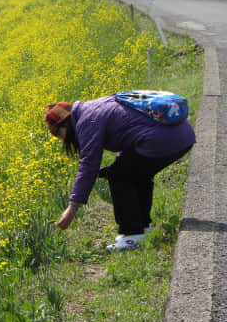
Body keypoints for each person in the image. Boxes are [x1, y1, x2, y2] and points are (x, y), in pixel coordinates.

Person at [44, 95, 196, 251]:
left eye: (59, 134)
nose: (63, 140)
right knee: (135, 174)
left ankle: (132, 235)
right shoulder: (95, 108)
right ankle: (142, 229)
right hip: (183, 134)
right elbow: (130, 137)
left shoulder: (87, 121)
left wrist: (72, 208)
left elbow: (89, 165)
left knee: (119, 176)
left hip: (165, 138)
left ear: (64, 125)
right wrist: (117, 165)